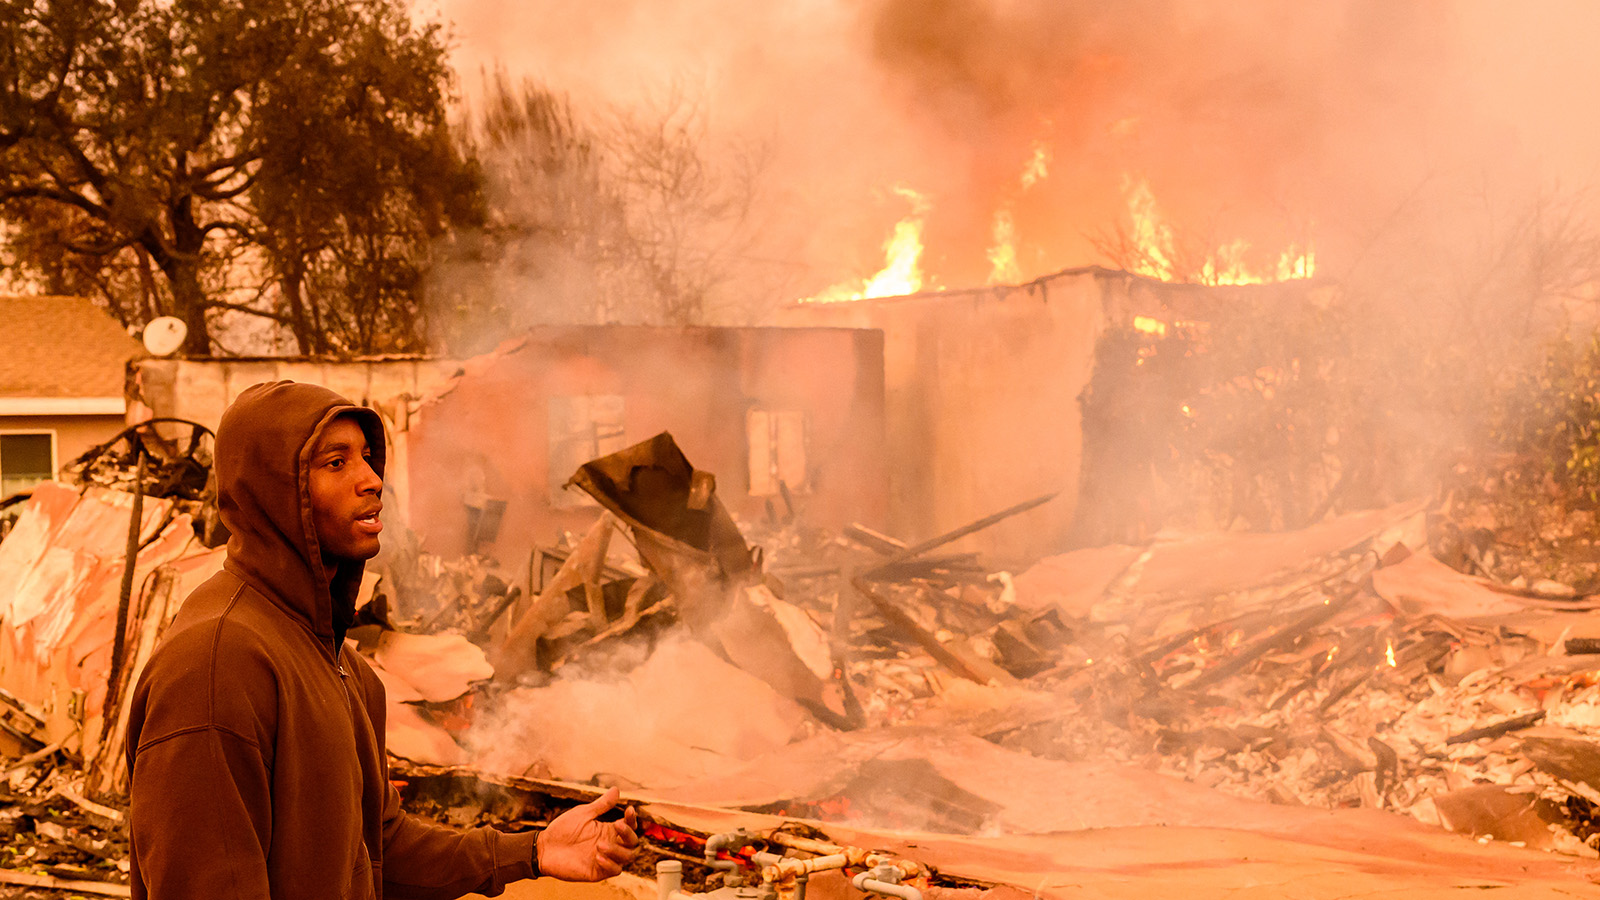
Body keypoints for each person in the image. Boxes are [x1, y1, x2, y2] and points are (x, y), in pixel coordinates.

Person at [125, 381, 639, 898]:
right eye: (335, 463)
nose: (371, 480)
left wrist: (533, 852)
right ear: (275, 491)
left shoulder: (339, 664)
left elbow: (380, 849)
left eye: (368, 458)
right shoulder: (216, 663)